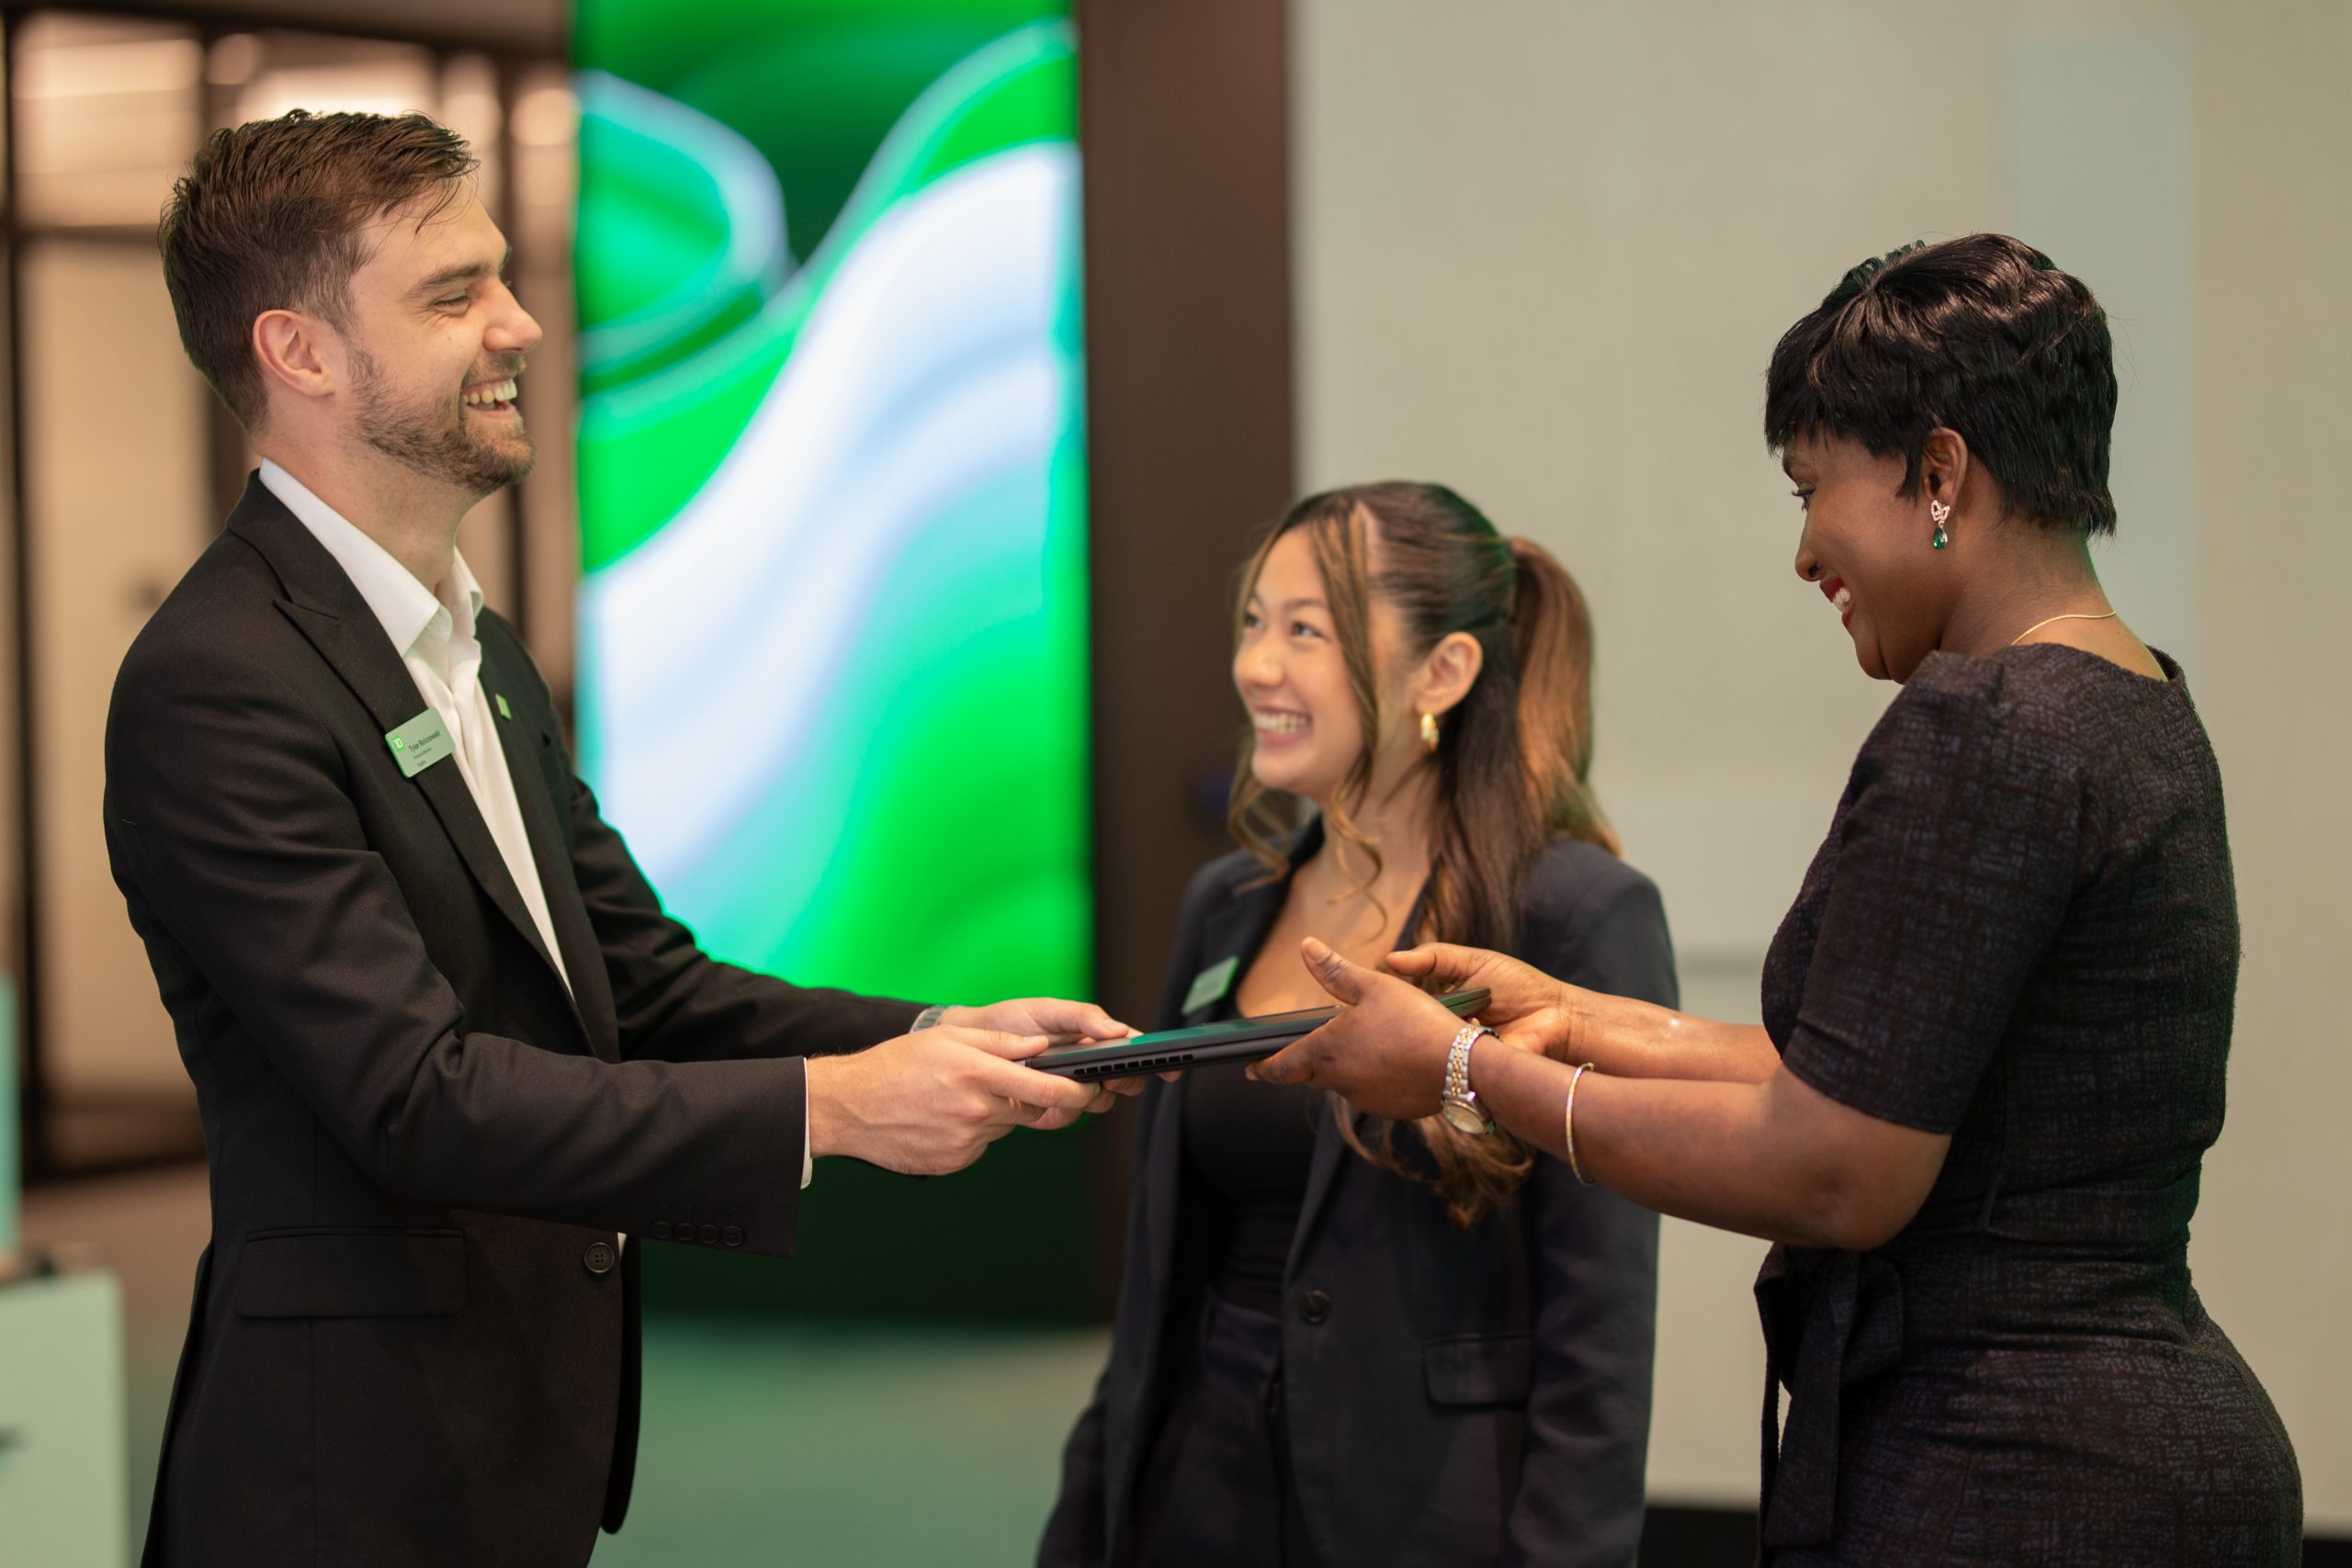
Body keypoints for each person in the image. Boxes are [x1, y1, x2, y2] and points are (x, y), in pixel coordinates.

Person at [110, 109, 1129, 1568]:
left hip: (511, 1432)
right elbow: (416, 1095)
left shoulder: (472, 646)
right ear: (301, 353)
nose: (522, 324)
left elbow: (642, 988)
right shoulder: (217, 680)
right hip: (343, 1481)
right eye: (454, 294)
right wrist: (838, 1107)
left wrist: (937, 1031)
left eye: (503, 279)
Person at [1252, 235, 2302, 1564]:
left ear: (1939, 473)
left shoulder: (1982, 723)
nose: (1807, 550)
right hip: (2154, 1447)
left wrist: (1461, 1069)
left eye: (1812, 489)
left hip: (2016, 1477)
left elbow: (1836, 1167)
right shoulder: (2137, 698)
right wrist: (1575, 1018)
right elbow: (1880, 1073)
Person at [1039, 482, 1674, 1568]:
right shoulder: (1224, 905)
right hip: (1195, 1485)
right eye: (1252, 623)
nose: (1256, 666)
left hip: (1426, 1509)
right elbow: (1156, 1274)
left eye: (1304, 630)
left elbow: (1599, 1328)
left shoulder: (1568, 916)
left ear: (1444, 672)